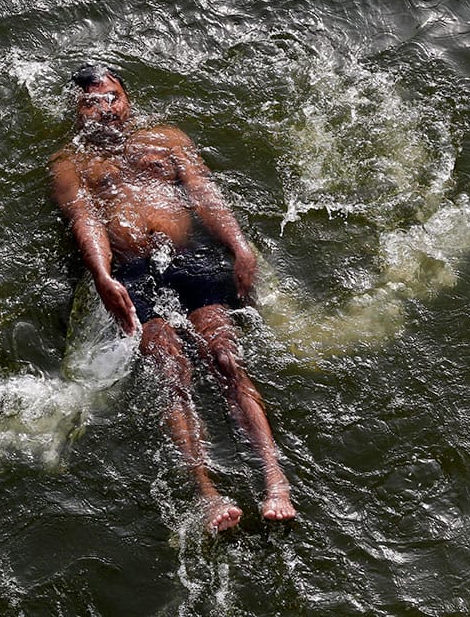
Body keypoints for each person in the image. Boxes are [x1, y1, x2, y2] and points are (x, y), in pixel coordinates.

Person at [49, 64, 295, 532]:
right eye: (91, 102)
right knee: (171, 366)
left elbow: (205, 194)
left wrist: (240, 245)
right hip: (132, 271)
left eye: (112, 97)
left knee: (224, 356)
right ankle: (206, 491)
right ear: (77, 113)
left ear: (128, 99)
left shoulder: (167, 139)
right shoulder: (70, 164)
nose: (104, 109)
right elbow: (86, 221)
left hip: (189, 257)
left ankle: (274, 477)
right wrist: (102, 275)